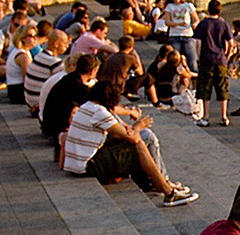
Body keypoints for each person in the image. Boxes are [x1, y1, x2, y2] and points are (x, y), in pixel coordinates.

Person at [67, 81, 199, 206]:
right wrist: (137, 126)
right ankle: (167, 192)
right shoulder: (99, 112)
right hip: (88, 166)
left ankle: (161, 182)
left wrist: (134, 127)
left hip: (80, 163)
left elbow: (122, 129)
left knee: (145, 136)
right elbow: (133, 138)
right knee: (139, 144)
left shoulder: (87, 107)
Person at [193, 0, 234, 126]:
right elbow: (231, 43)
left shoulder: (203, 24)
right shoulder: (224, 24)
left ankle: (205, 117)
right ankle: (224, 116)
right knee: (222, 88)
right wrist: (227, 56)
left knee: (206, 88)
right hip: (220, 59)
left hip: (206, 59)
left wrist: (198, 57)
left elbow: (198, 42)